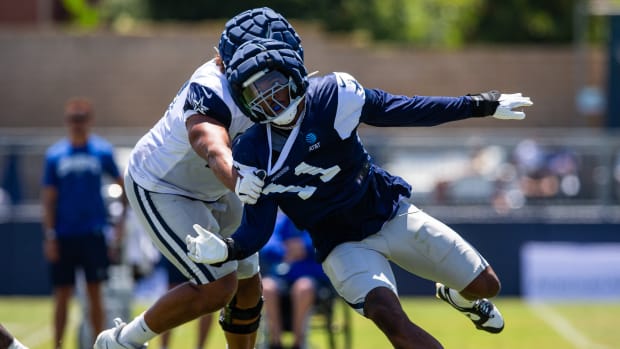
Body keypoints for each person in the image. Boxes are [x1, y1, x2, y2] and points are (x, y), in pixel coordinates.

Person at [185, 38, 533, 349]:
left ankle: (461, 298)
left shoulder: (333, 97)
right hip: (341, 245)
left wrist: (477, 105)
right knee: (389, 316)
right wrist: (229, 248)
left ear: (291, 73)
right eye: (253, 92)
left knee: (486, 285)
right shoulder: (252, 152)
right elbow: (258, 229)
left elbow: (405, 109)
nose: (266, 97)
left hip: (387, 213)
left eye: (271, 84)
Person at [93, 7, 304, 349]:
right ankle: (120, 342)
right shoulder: (211, 87)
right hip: (164, 186)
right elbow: (211, 146)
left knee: (249, 282)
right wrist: (237, 180)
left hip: (218, 188)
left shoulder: (277, 87)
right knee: (218, 287)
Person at [42, 97, 126, 349]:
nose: (77, 124)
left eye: (81, 119)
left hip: (93, 232)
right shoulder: (55, 155)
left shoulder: (101, 150)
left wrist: (119, 225)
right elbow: (48, 199)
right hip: (64, 234)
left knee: (95, 295)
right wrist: (49, 235)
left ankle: (98, 344)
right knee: (62, 295)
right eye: (72, 120)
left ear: (89, 121)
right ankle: (58, 345)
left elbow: (123, 186)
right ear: (67, 122)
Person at [260, 213, 328, 349]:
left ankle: (299, 343)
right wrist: (284, 250)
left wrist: (304, 246)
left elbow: (325, 238)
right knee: (266, 286)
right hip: (283, 279)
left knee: (303, 287)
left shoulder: (318, 218)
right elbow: (268, 243)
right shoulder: (284, 221)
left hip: (313, 281)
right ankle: (275, 342)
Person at [159, 258, 213, 349]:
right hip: (192, 250)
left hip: (199, 251)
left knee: (208, 299)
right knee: (171, 297)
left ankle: (200, 347)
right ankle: (164, 347)